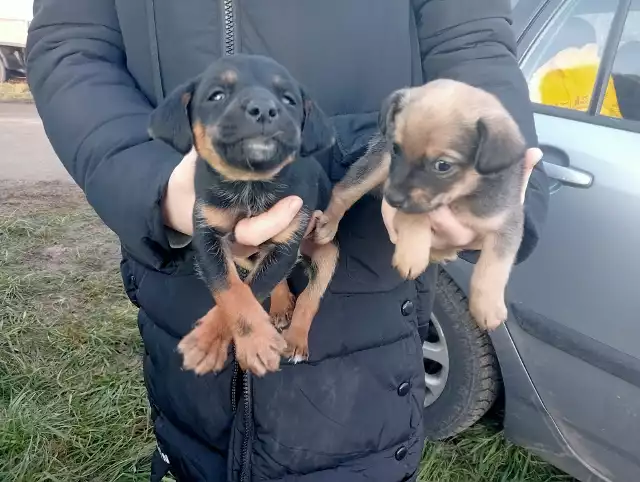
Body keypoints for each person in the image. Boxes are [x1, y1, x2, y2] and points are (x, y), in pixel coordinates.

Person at [25, 1, 549, 481]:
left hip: (363, 329)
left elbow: (472, 38)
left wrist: (485, 178)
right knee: (196, 449)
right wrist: (152, 185)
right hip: (181, 317)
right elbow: (71, 44)